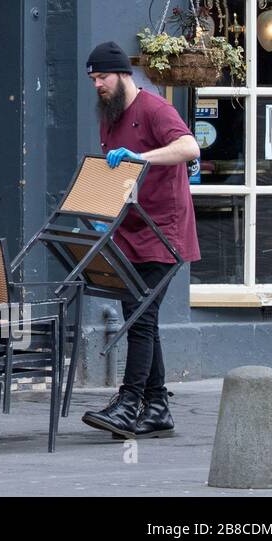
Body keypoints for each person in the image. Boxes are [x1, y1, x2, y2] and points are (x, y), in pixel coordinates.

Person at [80, 41, 200, 440]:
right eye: (94, 78)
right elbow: (113, 174)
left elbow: (189, 147)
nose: (98, 84)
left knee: (140, 318)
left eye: (103, 77)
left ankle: (130, 403)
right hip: (130, 231)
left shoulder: (154, 109)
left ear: (123, 74)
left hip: (164, 230)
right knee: (141, 316)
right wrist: (103, 215)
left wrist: (140, 156)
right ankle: (158, 407)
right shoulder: (109, 116)